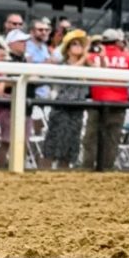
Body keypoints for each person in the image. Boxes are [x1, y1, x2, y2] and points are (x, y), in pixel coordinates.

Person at [84, 28, 129, 170]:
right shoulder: (128, 58)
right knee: (112, 140)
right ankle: (107, 169)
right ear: (118, 42)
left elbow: (87, 62)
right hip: (119, 103)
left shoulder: (92, 56)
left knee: (91, 139)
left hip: (97, 102)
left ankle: (87, 169)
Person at [41, 30, 90, 170]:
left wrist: (98, 57)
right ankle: (43, 174)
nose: (79, 47)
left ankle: (63, 175)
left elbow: (102, 71)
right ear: (68, 49)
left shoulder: (87, 66)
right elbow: (71, 72)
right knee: (52, 144)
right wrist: (84, 58)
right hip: (61, 108)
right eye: (75, 44)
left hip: (77, 109)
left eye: (81, 44)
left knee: (70, 147)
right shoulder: (62, 65)